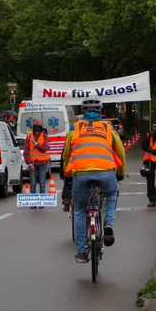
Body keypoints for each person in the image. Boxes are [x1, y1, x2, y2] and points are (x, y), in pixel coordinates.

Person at [61, 99, 126, 262]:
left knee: (79, 210)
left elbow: (66, 154)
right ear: (100, 112)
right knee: (111, 195)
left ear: (83, 112)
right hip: (105, 171)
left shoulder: (74, 128)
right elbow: (121, 152)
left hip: (81, 173)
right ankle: (108, 224)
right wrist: (120, 173)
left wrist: (67, 173)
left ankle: (82, 251)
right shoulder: (108, 127)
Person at [24, 120, 49, 207]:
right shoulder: (29, 137)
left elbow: (44, 148)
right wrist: (29, 164)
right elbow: (26, 152)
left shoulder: (44, 136)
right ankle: (34, 203)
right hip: (33, 164)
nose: (37, 133)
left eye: (38, 131)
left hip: (42, 163)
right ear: (33, 130)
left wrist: (37, 144)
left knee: (42, 183)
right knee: (33, 184)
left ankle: (41, 203)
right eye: (35, 131)